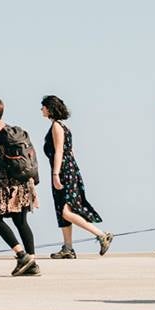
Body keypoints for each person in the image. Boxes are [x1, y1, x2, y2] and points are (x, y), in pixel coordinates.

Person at [39, 97, 111, 259]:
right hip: (69, 169)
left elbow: (60, 151)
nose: (41, 110)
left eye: (43, 107)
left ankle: (101, 235)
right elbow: (71, 152)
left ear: (50, 109)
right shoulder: (64, 127)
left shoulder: (57, 126)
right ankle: (68, 248)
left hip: (63, 170)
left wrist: (56, 174)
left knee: (66, 211)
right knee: (63, 210)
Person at [0, 96, 40, 276]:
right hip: (22, 182)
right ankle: (33, 263)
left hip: (4, 183)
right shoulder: (14, 130)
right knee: (21, 221)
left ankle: (22, 255)